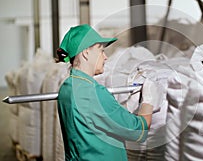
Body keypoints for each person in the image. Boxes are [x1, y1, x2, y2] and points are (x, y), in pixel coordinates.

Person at [56, 24, 162, 161]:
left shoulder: (66, 87)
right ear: (85, 52)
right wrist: (148, 100)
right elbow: (138, 131)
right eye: (101, 50)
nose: (105, 57)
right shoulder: (93, 93)